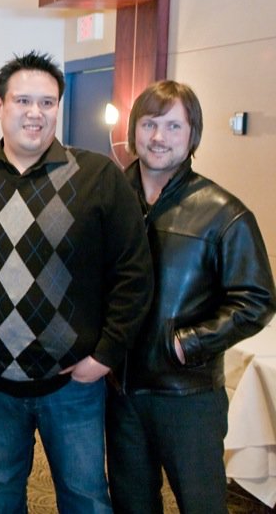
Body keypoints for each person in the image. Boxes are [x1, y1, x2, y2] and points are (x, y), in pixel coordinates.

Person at [0, 51, 154, 514]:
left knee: (85, 495)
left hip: (74, 383)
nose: (36, 113)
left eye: (47, 103)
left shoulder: (98, 178)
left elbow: (133, 273)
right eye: (23, 101)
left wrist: (106, 354)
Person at [105, 80, 276, 514]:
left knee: (201, 506)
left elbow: (257, 299)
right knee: (131, 505)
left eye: (173, 126)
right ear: (133, 129)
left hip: (187, 397)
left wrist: (187, 343)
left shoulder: (222, 212)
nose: (158, 137)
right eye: (149, 124)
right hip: (120, 392)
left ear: (192, 134)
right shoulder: (109, 199)